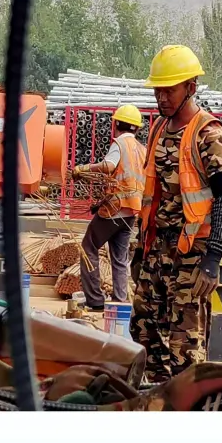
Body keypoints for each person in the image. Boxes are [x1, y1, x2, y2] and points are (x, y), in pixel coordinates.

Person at [130, 45, 222, 383]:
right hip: (157, 249)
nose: (161, 98)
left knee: (184, 347)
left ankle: (187, 406)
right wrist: (140, 249)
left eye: (169, 90)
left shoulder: (209, 135)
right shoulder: (158, 129)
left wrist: (213, 259)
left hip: (192, 256)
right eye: (157, 90)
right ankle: (158, 400)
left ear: (191, 87)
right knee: (144, 332)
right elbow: (152, 195)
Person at [73, 105, 147, 312]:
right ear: (137, 128)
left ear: (116, 124)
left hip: (115, 209)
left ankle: (95, 300)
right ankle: (119, 300)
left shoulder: (120, 143)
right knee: (120, 258)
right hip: (132, 210)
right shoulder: (142, 150)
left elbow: (109, 166)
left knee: (88, 247)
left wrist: (84, 168)